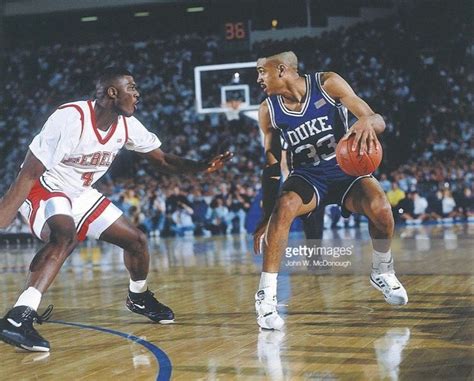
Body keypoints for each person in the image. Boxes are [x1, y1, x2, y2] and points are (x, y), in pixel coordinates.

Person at [0, 67, 232, 352]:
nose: (138, 94)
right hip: (46, 185)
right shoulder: (70, 118)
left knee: (137, 241)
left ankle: (138, 297)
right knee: (64, 236)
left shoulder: (126, 125)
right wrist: (3, 218)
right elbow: (30, 171)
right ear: (113, 92)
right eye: (132, 88)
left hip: (81, 192)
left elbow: (163, 160)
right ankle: (19, 316)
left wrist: (201, 166)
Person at [253, 51, 408, 330]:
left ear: (281, 70)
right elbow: (272, 165)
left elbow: (377, 120)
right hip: (308, 177)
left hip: (345, 170)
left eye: (261, 72)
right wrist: (266, 216)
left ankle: (382, 270)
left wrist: (366, 121)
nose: (258, 78)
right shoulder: (269, 109)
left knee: (381, 209)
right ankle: (266, 298)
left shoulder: (327, 83)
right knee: (285, 206)